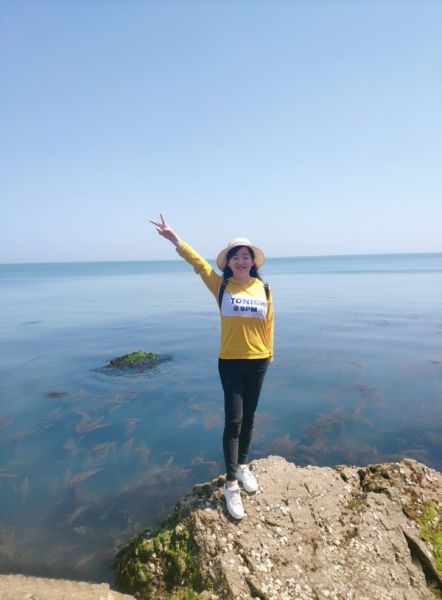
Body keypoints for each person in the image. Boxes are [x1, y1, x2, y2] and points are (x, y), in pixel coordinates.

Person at [149, 214, 274, 519]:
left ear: (252, 261)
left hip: (259, 361)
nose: (241, 260)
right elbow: (198, 263)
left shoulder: (264, 289)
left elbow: (269, 324)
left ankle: (242, 466)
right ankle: (230, 485)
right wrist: (174, 238)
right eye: (236, 256)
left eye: (246, 256)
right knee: (234, 421)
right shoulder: (220, 285)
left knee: (250, 418)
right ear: (229, 263)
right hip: (230, 361)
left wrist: (269, 355)